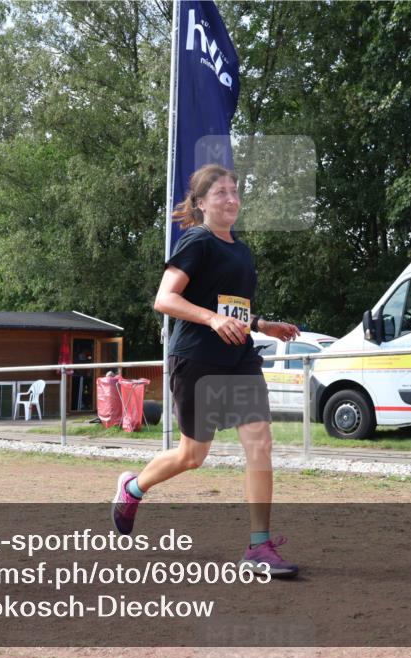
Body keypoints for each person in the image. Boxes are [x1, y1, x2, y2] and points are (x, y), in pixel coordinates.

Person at [112, 164, 301, 578]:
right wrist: (212, 320)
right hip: (196, 358)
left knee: (259, 443)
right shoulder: (196, 241)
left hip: (239, 359)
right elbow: (165, 299)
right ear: (200, 204)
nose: (230, 199)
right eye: (219, 193)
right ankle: (133, 488)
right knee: (193, 455)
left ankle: (258, 547)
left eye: (234, 191)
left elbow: (233, 310)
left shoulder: (241, 250)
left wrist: (262, 326)